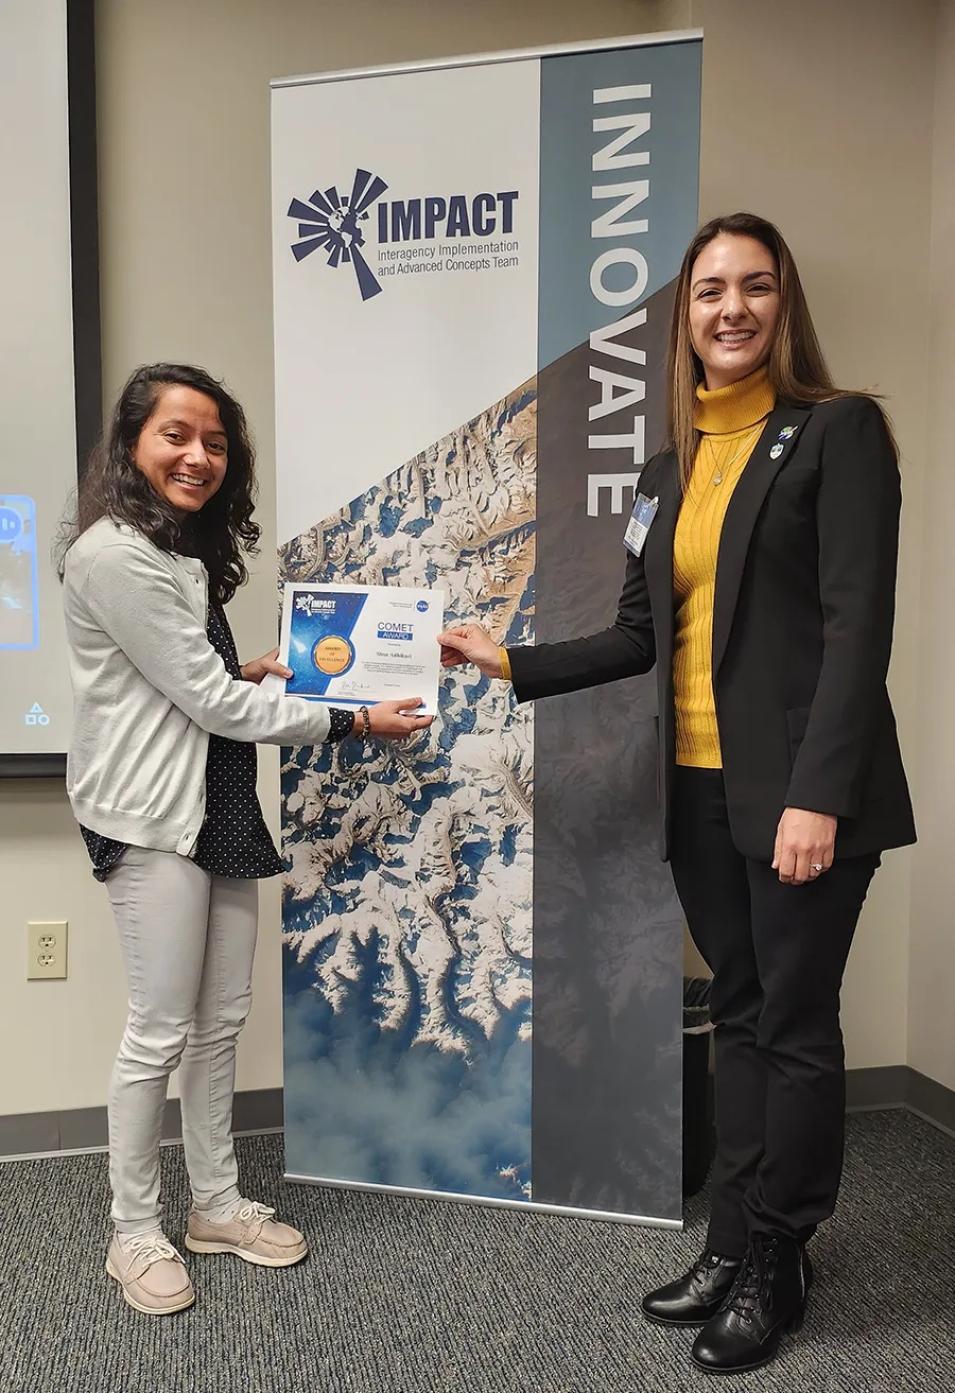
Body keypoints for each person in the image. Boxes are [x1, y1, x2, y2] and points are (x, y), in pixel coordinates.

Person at [437, 213, 915, 1376]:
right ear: (684, 317)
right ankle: (732, 1235)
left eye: (754, 287)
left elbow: (858, 630)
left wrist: (820, 796)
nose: (731, 309)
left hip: (804, 792)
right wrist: (512, 661)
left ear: (783, 303)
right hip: (698, 790)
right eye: (709, 291)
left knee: (793, 1025)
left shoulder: (837, 431)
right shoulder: (668, 468)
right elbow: (642, 635)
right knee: (740, 1016)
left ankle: (781, 1259)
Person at [61, 363, 432, 1316]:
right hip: (152, 816)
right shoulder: (113, 552)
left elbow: (196, 673)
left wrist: (257, 666)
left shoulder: (176, 547)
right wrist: (351, 723)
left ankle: (215, 1205)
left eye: (215, 442)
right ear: (132, 445)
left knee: (220, 1020)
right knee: (158, 1030)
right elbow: (210, 699)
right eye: (176, 435)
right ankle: (132, 1229)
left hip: (213, 803)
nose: (197, 455)